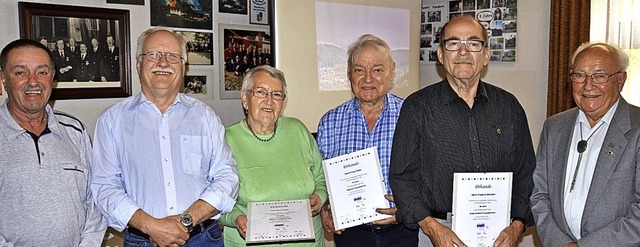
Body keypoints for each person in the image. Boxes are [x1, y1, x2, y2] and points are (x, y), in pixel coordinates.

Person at [388, 16, 536, 247]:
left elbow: (526, 173)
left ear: (486, 55)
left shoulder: (509, 107)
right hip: (438, 231)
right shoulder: (417, 107)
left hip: (499, 232)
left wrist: (517, 225)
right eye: (454, 43)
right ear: (440, 54)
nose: (463, 52)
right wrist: (432, 228)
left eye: (474, 44)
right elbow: (402, 177)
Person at [91, 27, 239, 247]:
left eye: (172, 56)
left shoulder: (204, 117)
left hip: (203, 239)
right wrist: (152, 226)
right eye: (153, 55)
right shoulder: (112, 121)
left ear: (183, 67)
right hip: (142, 241)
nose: (163, 62)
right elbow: (104, 187)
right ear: (138, 64)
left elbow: (227, 176)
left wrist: (186, 220)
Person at [530, 42, 640, 246]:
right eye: (579, 75)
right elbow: (539, 195)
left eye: (600, 76)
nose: (588, 86)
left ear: (620, 80)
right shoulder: (554, 127)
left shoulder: (637, 129)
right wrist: (560, 243)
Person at [0, 39, 106, 245]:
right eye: (21, 72)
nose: (33, 81)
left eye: (42, 71)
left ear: (52, 78)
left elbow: (95, 201)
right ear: (3, 79)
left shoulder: (75, 130)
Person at [317, 34, 418, 247]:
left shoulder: (412, 115)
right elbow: (321, 178)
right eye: (359, 70)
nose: (368, 78)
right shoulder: (330, 121)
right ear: (349, 74)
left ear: (392, 72)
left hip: (401, 231)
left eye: (378, 70)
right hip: (351, 234)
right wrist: (326, 207)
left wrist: (410, 208)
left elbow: (429, 175)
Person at [221, 65, 327, 246]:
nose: (269, 101)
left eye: (277, 94)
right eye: (260, 92)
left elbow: (320, 177)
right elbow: (213, 198)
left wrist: (320, 196)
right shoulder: (225, 140)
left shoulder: (298, 130)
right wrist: (235, 217)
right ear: (245, 99)